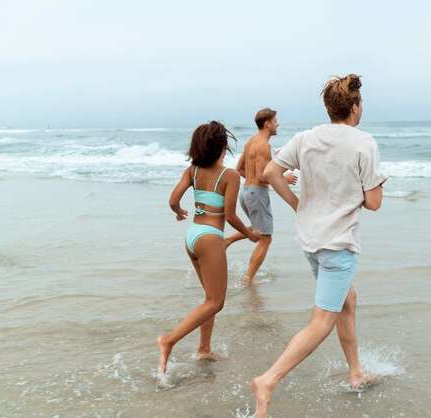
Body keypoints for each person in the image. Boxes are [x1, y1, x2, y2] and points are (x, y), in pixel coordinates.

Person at [250, 74, 388, 417]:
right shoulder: (363, 143)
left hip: (310, 241)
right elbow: (374, 203)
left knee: (347, 300)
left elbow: (270, 172)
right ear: (354, 108)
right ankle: (268, 380)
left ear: (330, 108)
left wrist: (298, 205)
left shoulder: (306, 138)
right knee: (321, 321)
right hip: (337, 245)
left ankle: (355, 372)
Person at [157, 121, 261, 374]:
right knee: (216, 302)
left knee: (209, 299)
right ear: (224, 147)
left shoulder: (192, 171)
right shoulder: (230, 175)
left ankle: (204, 348)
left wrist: (179, 211)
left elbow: (173, 200)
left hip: (193, 236)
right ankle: (168, 340)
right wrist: (249, 234)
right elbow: (230, 215)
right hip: (211, 238)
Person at [225, 108, 297, 285]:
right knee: (266, 237)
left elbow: (239, 170)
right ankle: (248, 278)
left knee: (259, 228)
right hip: (256, 193)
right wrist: (284, 178)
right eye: (275, 121)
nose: (277, 124)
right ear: (267, 124)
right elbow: (263, 176)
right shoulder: (264, 146)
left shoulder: (251, 142)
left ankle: (228, 240)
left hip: (246, 192)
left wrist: (251, 184)